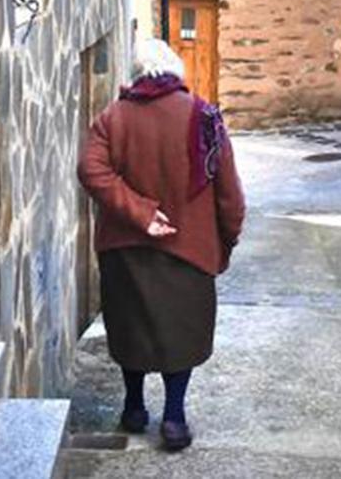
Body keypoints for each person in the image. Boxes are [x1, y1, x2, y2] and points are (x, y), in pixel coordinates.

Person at [77, 38, 245, 452]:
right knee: (180, 334)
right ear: (175, 73)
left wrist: (138, 212)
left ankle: (134, 409)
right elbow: (231, 196)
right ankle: (173, 417)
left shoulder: (112, 118)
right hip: (189, 250)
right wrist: (226, 239)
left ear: (136, 73)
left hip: (124, 249)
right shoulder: (205, 117)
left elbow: (90, 170)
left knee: (130, 329)